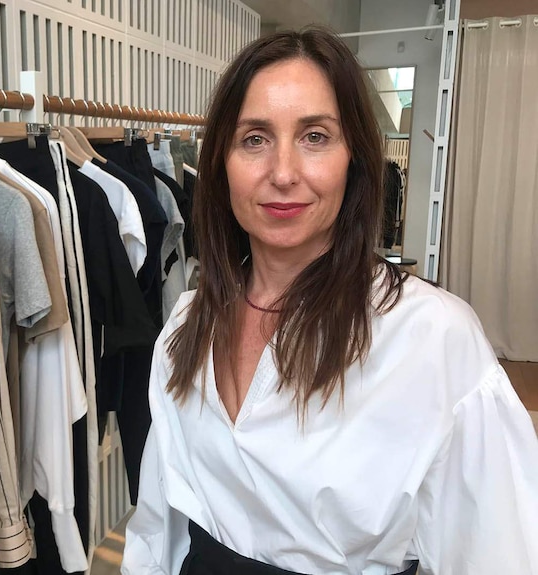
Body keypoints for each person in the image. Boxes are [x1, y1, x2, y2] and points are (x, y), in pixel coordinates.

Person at [122, 27, 538, 575]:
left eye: (315, 136)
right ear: (221, 162)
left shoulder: (433, 340)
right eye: (255, 138)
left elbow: (497, 554)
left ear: (354, 160)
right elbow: (159, 525)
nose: (283, 173)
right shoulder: (185, 326)